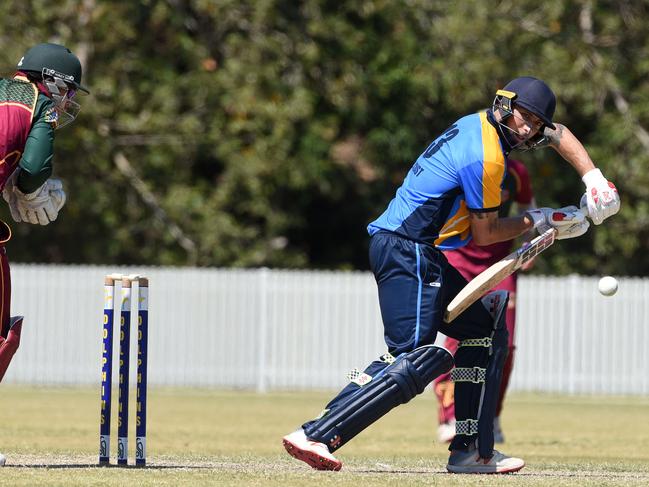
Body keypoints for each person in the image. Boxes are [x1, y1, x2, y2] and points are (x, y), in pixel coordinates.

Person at [282, 76, 620, 474]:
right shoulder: (487, 157)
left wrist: (593, 178)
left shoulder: (480, 122)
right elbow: (485, 234)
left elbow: (558, 133)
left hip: (417, 249)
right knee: (413, 355)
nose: (527, 128)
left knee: (484, 327)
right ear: (504, 105)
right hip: (408, 248)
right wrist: (542, 219)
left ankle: (470, 450)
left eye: (534, 123)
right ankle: (319, 432)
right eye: (523, 117)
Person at [0, 42, 89, 466]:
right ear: (52, 81)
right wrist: (24, 188)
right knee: (1, 335)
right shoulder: (38, 103)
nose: (67, 101)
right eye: (68, 91)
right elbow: (34, 174)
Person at [434, 157, 535, 444]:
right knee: (456, 343)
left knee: (505, 344)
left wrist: (530, 244)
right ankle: (450, 416)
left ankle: (490, 415)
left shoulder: (517, 171)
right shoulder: (465, 165)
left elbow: (528, 207)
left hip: (501, 263)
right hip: (458, 261)